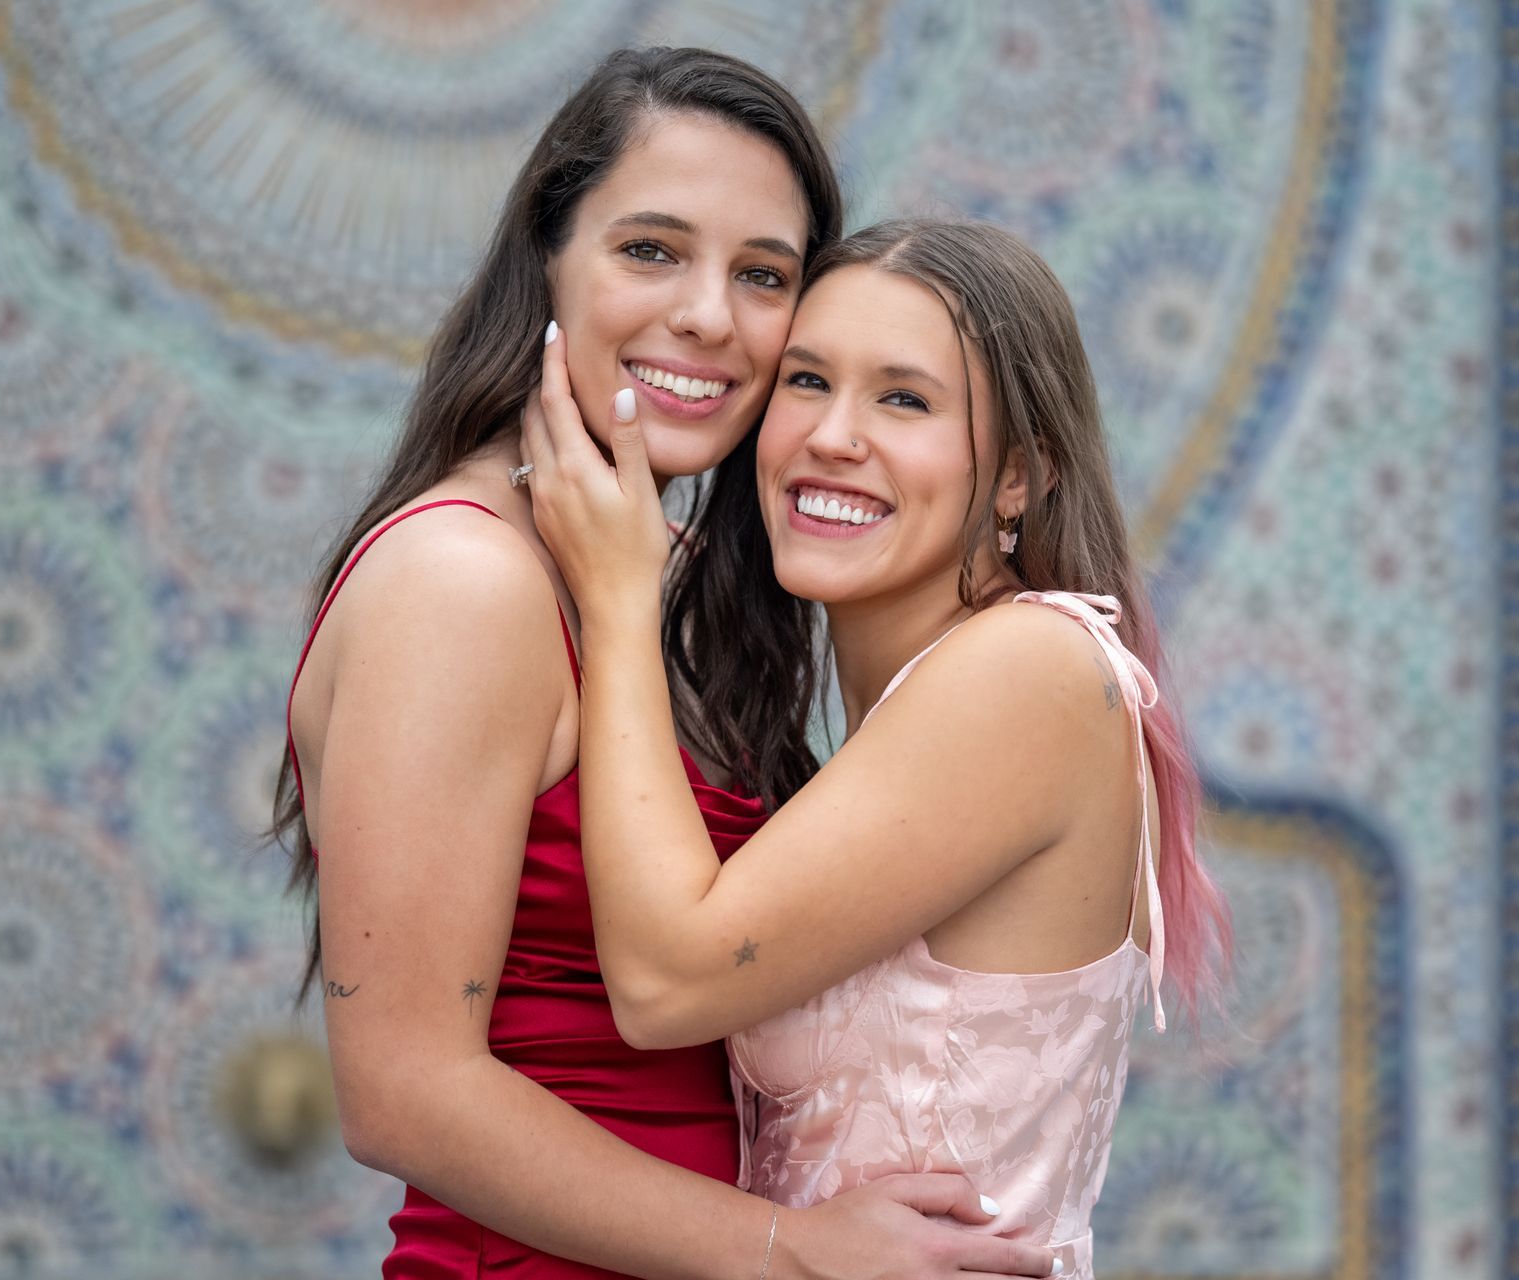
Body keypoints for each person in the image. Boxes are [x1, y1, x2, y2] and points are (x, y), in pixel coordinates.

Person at [274, 48, 1058, 1279]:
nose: (707, 314)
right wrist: (793, 1249)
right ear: (548, 260)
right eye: (650, 250)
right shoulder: (466, 581)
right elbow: (404, 1090)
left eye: (763, 275)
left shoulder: (653, 572)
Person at [520, 218, 1234, 1280]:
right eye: (806, 382)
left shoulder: (1027, 669)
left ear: (1018, 479)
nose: (832, 435)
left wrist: (619, 597)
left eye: (904, 399)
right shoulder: (917, 709)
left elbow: (667, 980)